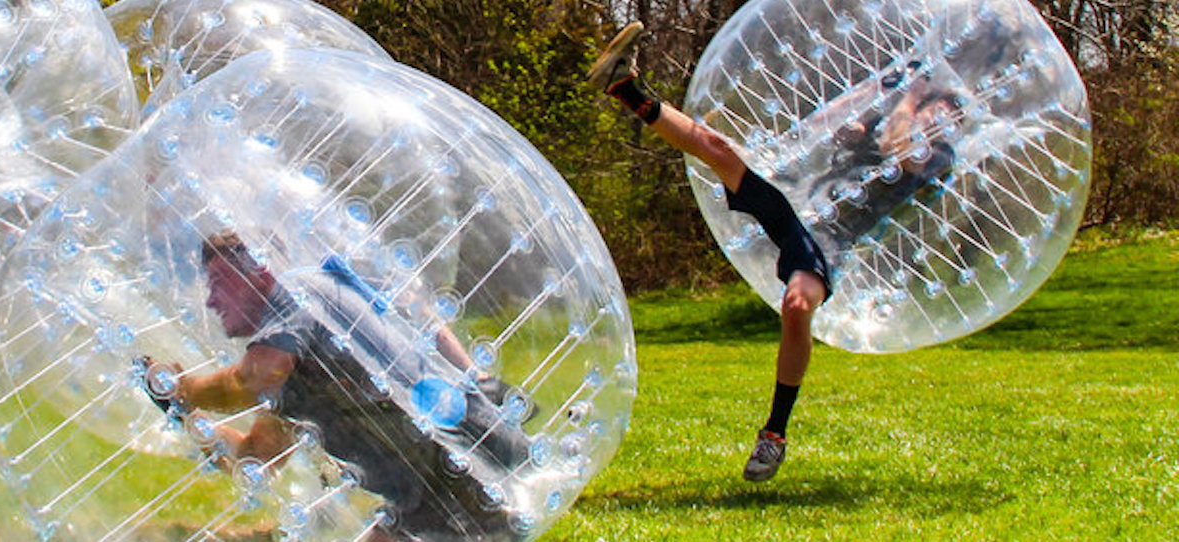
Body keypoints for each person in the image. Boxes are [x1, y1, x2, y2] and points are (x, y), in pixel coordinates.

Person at [139, 232, 531, 541]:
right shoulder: (301, 367)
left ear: (260, 272)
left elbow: (253, 377)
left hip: (467, 464)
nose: (210, 300)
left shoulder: (300, 298)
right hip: (427, 496)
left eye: (220, 282)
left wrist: (186, 388)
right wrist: (184, 414)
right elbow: (255, 459)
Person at [588, 22, 847, 482]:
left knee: (796, 305)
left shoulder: (933, 151)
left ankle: (775, 434)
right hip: (796, 199)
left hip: (829, 237)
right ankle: (623, 86)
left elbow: (902, 165)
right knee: (717, 149)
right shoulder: (892, 103)